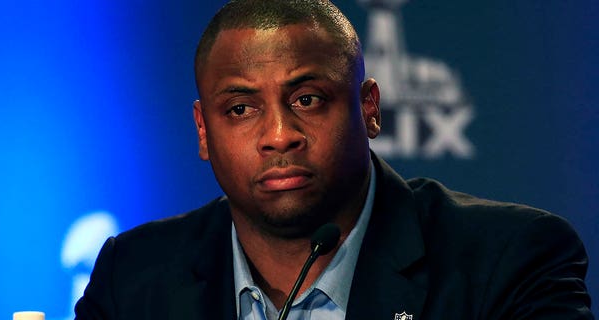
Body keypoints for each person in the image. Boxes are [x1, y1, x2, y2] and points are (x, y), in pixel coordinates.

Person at [74, 0, 593, 319]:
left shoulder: (507, 261)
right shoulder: (135, 278)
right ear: (203, 131)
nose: (279, 136)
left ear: (369, 109)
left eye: (307, 100)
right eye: (240, 109)